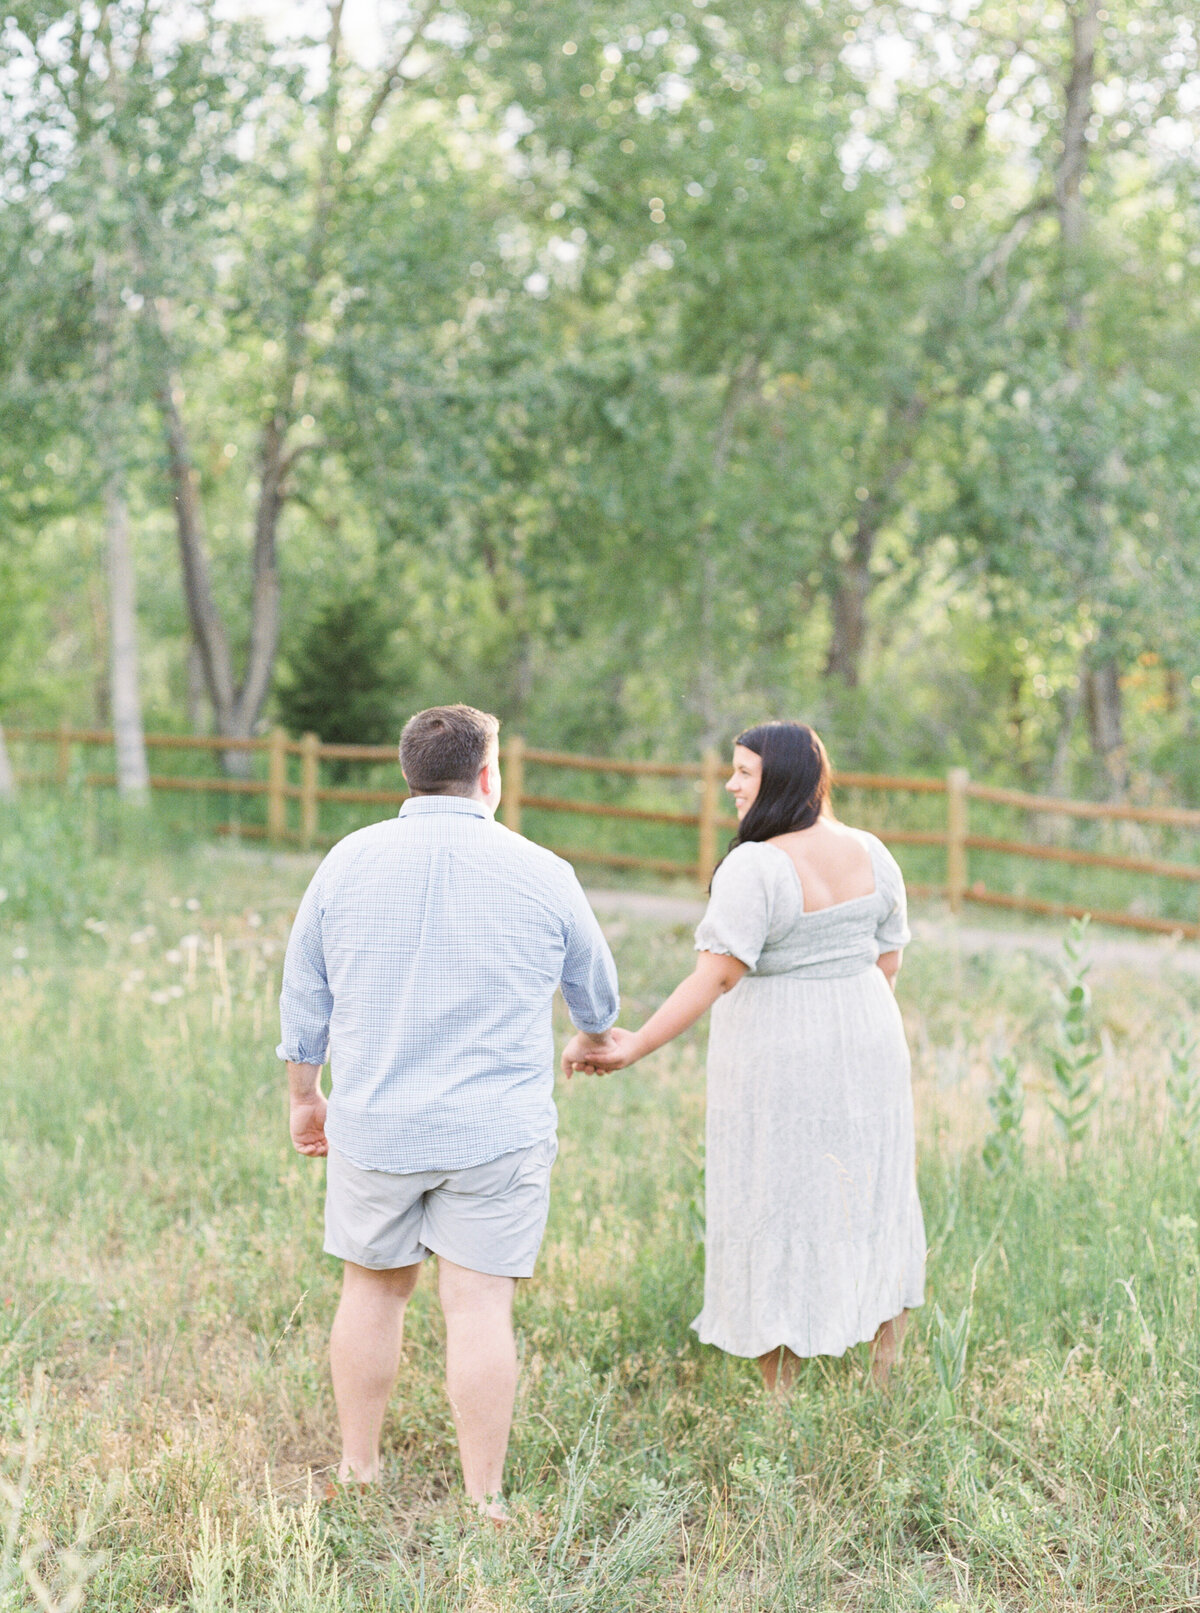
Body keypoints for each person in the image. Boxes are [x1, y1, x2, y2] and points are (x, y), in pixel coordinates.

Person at [278, 704, 620, 1519]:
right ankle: (486, 1499)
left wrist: (303, 1096)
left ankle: (358, 1470)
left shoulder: (347, 861)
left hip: (378, 1121)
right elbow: (597, 996)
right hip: (495, 1132)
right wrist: (595, 1036)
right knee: (478, 1306)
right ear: (488, 774)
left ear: (408, 774)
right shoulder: (543, 869)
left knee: (373, 1289)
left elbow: (304, 998)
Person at [563, 721, 924, 1391]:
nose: (730, 783)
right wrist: (849, 1018)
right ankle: (884, 1373)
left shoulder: (756, 865)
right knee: (873, 1189)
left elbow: (717, 975)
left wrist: (634, 1043)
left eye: (744, 771)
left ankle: (781, 1395)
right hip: (870, 1037)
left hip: (780, 1050)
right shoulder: (872, 850)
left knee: (775, 1193)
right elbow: (889, 956)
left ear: (781, 779)